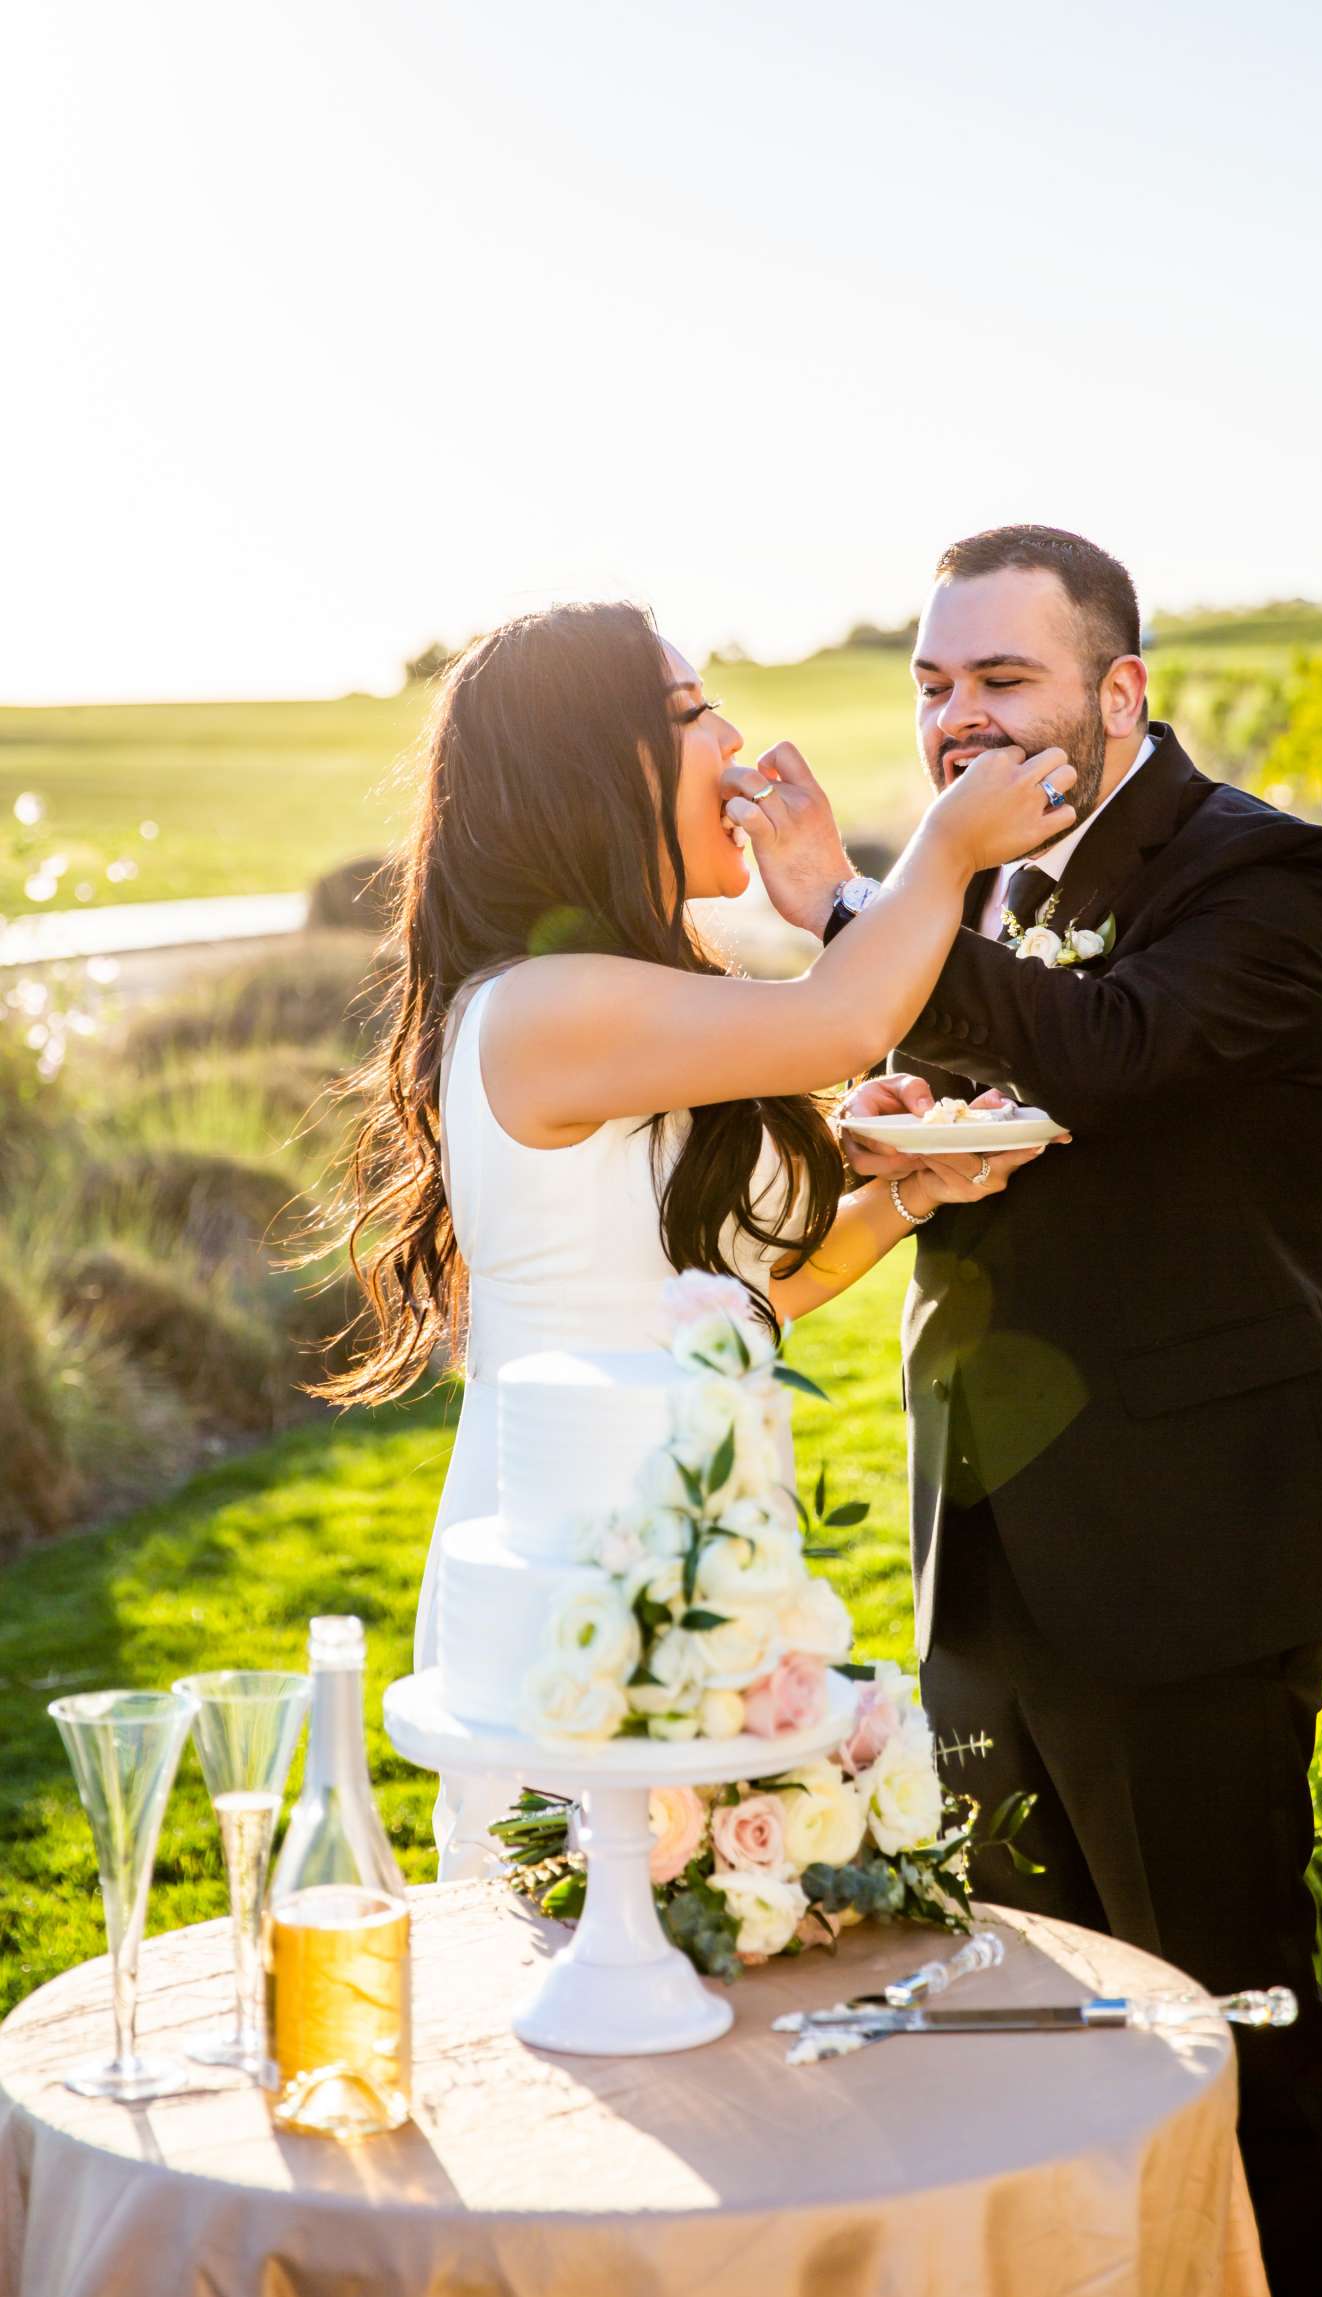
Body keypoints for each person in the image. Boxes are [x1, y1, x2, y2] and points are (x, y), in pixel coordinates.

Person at [743, 524, 1322, 2297]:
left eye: (1003, 682)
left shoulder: (1259, 870)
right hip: (996, 1547)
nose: (960, 721)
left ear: (1121, 693)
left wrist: (858, 906)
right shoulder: (995, 883)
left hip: (1190, 1555)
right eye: (935, 687)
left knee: (1224, 2023)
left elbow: (1109, 1056)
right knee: (1033, 2017)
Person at [317, 597, 1061, 1874]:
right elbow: (840, 1018)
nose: (730, 737)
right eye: (685, 711)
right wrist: (941, 848)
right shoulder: (544, 1006)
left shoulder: (631, 990)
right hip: (579, 1569)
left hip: (705, 1540)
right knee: (597, 1956)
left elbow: (732, 1301)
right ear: (587, 773)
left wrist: (897, 1198)